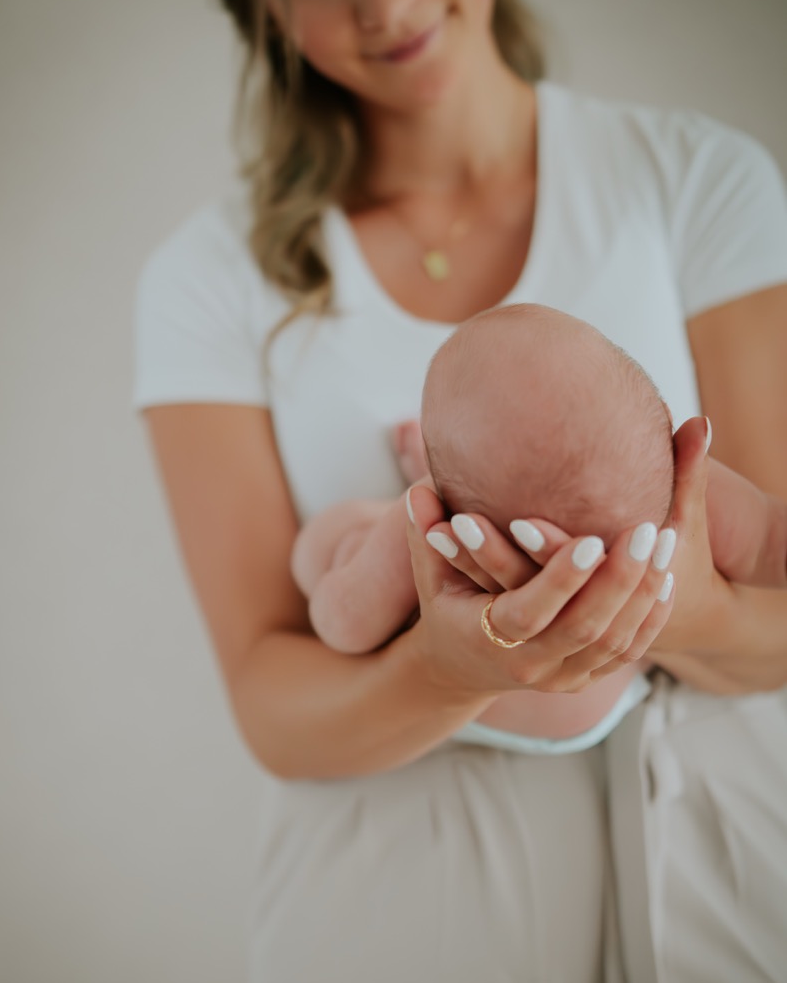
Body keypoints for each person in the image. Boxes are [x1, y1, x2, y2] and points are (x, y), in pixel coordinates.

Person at [132, 0, 787, 983]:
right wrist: (453, 662)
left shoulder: (691, 181)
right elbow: (270, 697)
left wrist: (664, 602)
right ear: (261, 4)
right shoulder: (209, 278)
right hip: (385, 924)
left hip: (713, 877)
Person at [292, 302, 787, 753]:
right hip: (592, 695)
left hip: (522, 710)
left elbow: (343, 626)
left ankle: (413, 487)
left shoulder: (431, 530)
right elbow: (770, 542)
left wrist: (380, 546)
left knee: (322, 548)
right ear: (660, 419)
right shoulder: (683, 486)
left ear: (448, 499)